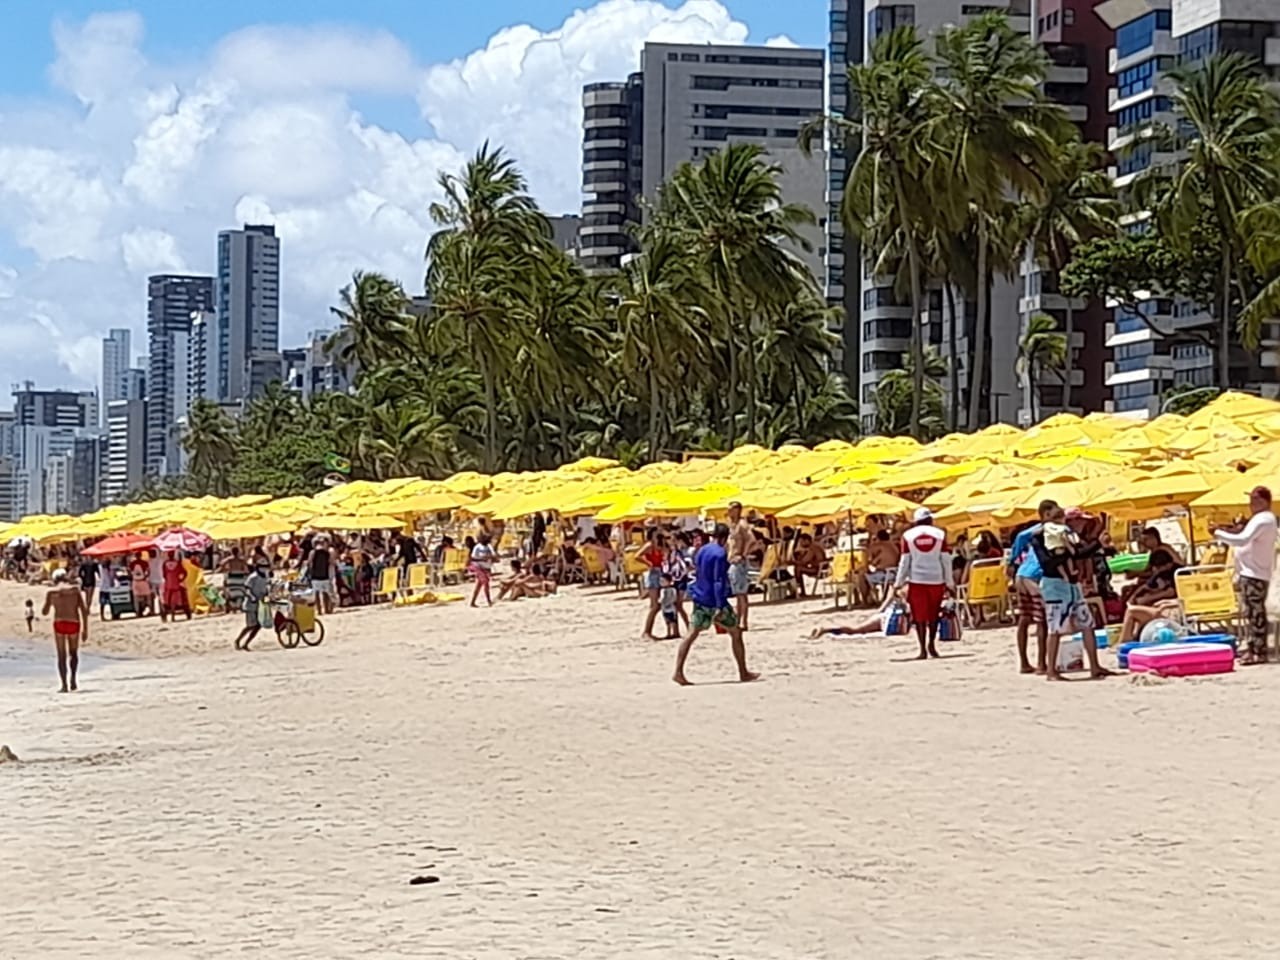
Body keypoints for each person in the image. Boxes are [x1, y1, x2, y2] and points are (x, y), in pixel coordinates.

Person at [1032, 503, 1111, 681]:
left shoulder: (1064, 532)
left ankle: (1095, 666)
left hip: (1072, 585)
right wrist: (1065, 553)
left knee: (1087, 624)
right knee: (1055, 629)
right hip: (1054, 586)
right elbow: (1047, 563)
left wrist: (1098, 543)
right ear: (1045, 515)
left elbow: (1078, 554)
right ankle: (1051, 670)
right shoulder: (1038, 536)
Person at [672, 523, 758, 686]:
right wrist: (720, 606)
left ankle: (678, 671)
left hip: (700, 597)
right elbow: (718, 581)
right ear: (726, 538)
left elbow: (698, 571)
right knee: (735, 632)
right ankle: (743, 672)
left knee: (690, 635)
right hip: (714, 600)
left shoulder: (702, 550)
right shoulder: (720, 554)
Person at [1212, 485, 1278, 665]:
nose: (1251, 503)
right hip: (1251, 572)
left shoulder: (1263, 519)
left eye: (1255, 499)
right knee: (1250, 613)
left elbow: (1242, 539)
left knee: (1255, 614)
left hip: (1255, 573)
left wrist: (1218, 533)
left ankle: (1259, 651)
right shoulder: (1261, 519)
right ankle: (1253, 649)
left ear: (1264, 501)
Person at [895, 507, 955, 661]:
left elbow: (905, 561)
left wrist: (898, 582)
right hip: (937, 579)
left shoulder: (908, 536)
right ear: (930, 520)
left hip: (917, 580)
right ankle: (932, 645)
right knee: (933, 614)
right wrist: (950, 582)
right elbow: (946, 560)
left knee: (919, 616)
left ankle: (922, 648)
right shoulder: (940, 535)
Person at [1008, 504, 1054, 675]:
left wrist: (1013, 559)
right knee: (1041, 620)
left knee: (1025, 618)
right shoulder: (1049, 530)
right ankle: (1042, 664)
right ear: (1046, 514)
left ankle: (1024, 663)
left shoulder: (1034, 532)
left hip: (1022, 574)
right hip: (1034, 577)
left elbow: (1020, 537)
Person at [42, 569, 89, 693]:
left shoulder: (52, 592)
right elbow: (84, 611)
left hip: (59, 623)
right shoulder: (74, 591)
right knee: (73, 653)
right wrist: (85, 630)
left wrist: (50, 602)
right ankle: (73, 679)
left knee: (61, 655)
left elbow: (44, 612)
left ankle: (64, 685)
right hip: (74, 622)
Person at [726, 502, 756, 631]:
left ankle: (742, 621)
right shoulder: (733, 525)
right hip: (733, 561)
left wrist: (743, 554)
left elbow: (752, 540)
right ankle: (739, 620)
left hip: (739, 562)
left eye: (731, 510)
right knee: (738, 593)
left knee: (741, 594)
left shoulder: (741, 525)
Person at [234, 562, 272, 651]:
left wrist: (267, 596)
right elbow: (247, 590)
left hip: (260, 604)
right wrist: (252, 597)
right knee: (250, 625)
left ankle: (246, 643)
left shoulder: (265, 577)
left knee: (258, 626)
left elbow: (266, 589)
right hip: (250, 604)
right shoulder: (252, 577)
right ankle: (238, 640)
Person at [638, 528, 666, 640]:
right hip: (653, 572)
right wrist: (648, 563)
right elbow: (637, 555)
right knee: (654, 606)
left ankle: (649, 631)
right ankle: (646, 632)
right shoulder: (649, 545)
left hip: (660, 572)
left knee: (658, 605)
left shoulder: (659, 545)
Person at [792, 533, 827, 598]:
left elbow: (805, 561)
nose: (801, 544)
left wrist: (793, 561)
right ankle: (799, 590)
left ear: (807, 541)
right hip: (820, 568)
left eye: (802, 542)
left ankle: (801, 591)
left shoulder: (812, 548)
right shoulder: (815, 546)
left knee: (798, 569)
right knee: (798, 568)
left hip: (818, 569)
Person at [308, 535, 336, 615]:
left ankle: (320, 610)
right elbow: (331, 562)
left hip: (317, 575)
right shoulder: (326, 552)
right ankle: (325, 609)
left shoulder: (313, 552)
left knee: (318, 593)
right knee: (324, 593)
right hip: (324, 574)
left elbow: (310, 563)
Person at [160, 551, 191, 622]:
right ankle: (173, 616)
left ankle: (172, 616)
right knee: (176, 600)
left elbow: (164, 574)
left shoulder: (165, 564)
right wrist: (181, 579)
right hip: (176, 584)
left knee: (169, 601)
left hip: (168, 585)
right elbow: (185, 572)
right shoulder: (177, 563)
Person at [469, 533, 495, 607]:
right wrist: (482, 559)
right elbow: (472, 558)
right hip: (479, 567)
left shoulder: (489, 547)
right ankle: (489, 601)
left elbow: (493, 555)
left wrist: (492, 558)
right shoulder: (477, 547)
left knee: (478, 585)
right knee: (486, 583)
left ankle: (472, 602)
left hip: (486, 567)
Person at [128, 551, 153, 616]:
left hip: (136, 581)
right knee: (148, 597)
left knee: (136, 598)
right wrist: (145, 577)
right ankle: (150, 610)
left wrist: (132, 577)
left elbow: (129, 572)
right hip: (143, 581)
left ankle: (138, 612)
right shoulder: (144, 563)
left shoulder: (132, 563)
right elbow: (148, 572)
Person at [659, 574, 680, 639]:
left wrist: (661, 601)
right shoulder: (663, 590)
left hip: (671, 608)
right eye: (661, 581)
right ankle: (669, 633)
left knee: (672, 621)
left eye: (663, 581)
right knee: (668, 621)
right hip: (666, 608)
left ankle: (673, 633)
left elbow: (674, 597)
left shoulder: (671, 590)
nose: (661, 583)